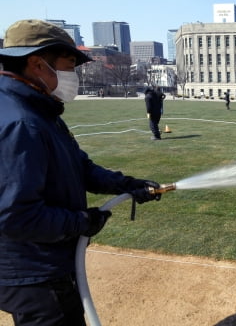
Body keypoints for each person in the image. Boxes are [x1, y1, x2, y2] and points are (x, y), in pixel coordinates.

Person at [0, 19, 162, 325]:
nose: (72, 75)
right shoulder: (21, 122)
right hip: (34, 274)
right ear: (37, 64)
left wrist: (126, 185)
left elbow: (79, 167)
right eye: (68, 65)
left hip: (38, 265)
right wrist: (82, 222)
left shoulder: (39, 111)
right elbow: (16, 216)